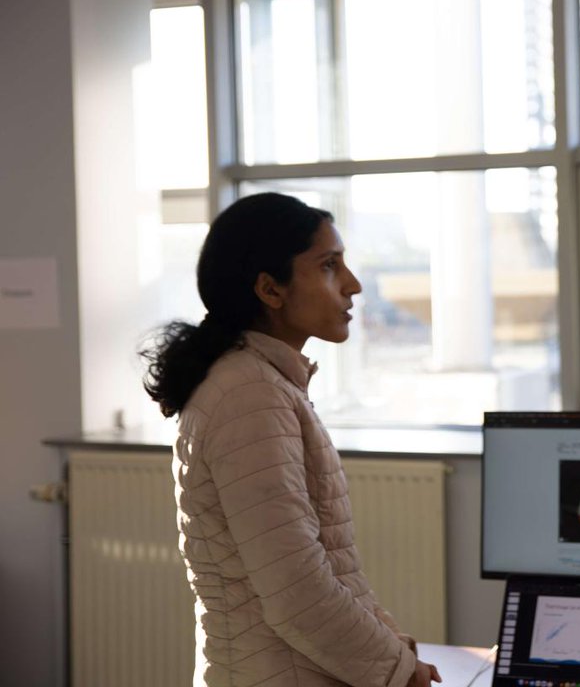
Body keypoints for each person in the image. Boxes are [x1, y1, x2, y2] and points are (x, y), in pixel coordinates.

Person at [143, 192, 442, 687]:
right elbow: (296, 590)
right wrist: (395, 670)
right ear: (270, 289)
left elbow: (332, 569)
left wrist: (397, 654)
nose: (353, 285)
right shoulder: (249, 394)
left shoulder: (264, 382)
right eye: (329, 266)